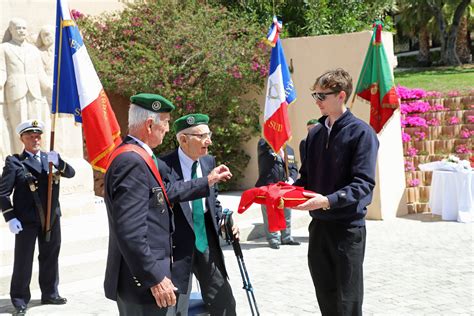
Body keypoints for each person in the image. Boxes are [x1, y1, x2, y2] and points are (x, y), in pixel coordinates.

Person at [293, 68, 379, 316]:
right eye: (315, 95)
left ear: (341, 95)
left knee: (347, 301)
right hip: (318, 228)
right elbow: (306, 179)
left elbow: (363, 183)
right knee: (326, 296)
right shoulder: (315, 134)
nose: (317, 101)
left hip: (347, 229)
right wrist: (283, 194)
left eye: (322, 95)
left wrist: (328, 201)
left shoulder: (362, 133)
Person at [159, 113, 237, 315]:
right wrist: (206, 181)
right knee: (176, 307)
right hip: (178, 245)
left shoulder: (208, 161)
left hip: (206, 240)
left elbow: (212, 200)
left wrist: (222, 220)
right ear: (183, 139)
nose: (208, 141)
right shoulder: (164, 165)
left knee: (224, 302)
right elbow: (169, 193)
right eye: (201, 136)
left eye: (208, 134)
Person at [0, 119, 75, 315]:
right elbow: (2, 193)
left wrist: (59, 163)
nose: (35, 139)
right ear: (22, 139)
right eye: (30, 136)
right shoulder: (14, 162)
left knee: (50, 256)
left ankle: (50, 293)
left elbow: (71, 173)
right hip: (26, 220)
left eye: (37, 135)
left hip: (51, 218)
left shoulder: (49, 159)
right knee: (24, 260)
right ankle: (19, 298)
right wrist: (10, 217)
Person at [0, 18, 52, 154]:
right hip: (16, 92)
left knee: (36, 127)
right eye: (18, 28)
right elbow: (2, 70)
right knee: (20, 126)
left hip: (34, 92)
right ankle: (20, 157)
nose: (21, 31)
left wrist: (49, 88)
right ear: (11, 30)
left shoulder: (33, 50)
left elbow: (40, 72)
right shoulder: (4, 48)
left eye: (24, 28)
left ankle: (40, 157)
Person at [255, 138, 300, 249]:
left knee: (286, 213)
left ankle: (286, 237)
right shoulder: (264, 146)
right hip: (268, 185)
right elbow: (263, 146)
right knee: (270, 213)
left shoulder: (289, 149)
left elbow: (293, 168)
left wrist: (291, 179)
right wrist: (275, 146)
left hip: (284, 186)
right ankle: (273, 239)